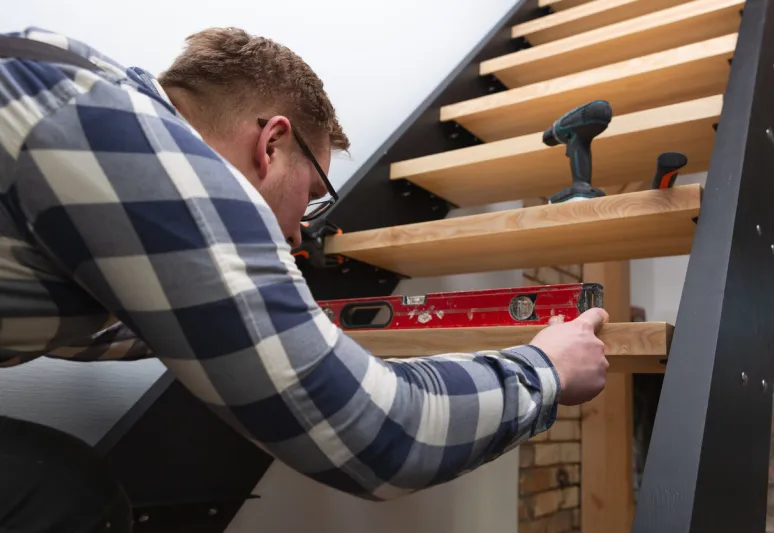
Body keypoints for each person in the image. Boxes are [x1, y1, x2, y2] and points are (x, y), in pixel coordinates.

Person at [0, 26, 610, 532]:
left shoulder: (79, 93)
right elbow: (381, 438)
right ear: (271, 144)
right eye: (313, 196)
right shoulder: (126, 138)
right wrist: (546, 370)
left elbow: (137, 324)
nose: (298, 237)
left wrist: (293, 323)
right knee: (66, 495)